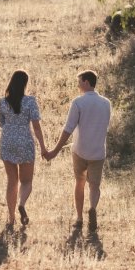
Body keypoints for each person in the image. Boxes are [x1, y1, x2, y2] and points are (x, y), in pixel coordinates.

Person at [44, 70, 112, 232]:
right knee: (94, 186)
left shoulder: (78, 102)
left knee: (79, 183)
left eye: (79, 82)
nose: (78, 85)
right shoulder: (106, 103)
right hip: (98, 151)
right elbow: (105, 125)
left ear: (87, 82)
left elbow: (68, 128)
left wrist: (55, 151)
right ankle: (93, 208)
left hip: (80, 150)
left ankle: (80, 218)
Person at [0, 69, 47, 230]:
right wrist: (43, 147)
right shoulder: (30, 101)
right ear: (25, 84)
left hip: (7, 141)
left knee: (12, 181)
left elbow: (1, 123)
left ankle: (11, 218)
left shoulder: (2, 102)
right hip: (25, 141)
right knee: (26, 181)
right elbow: (36, 126)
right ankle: (22, 204)